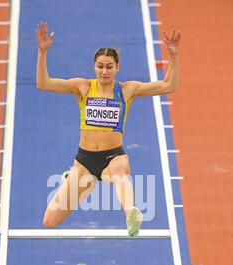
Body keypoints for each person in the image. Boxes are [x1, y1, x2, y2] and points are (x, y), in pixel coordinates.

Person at [35, 22, 181, 237]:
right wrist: (42, 52)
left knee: (119, 173)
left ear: (117, 67)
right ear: (94, 67)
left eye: (109, 66)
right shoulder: (83, 87)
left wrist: (173, 56)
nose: (104, 71)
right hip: (84, 161)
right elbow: (43, 83)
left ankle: (131, 212)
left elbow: (169, 86)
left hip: (113, 156)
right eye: (100, 66)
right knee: (49, 221)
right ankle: (87, 183)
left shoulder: (127, 90)